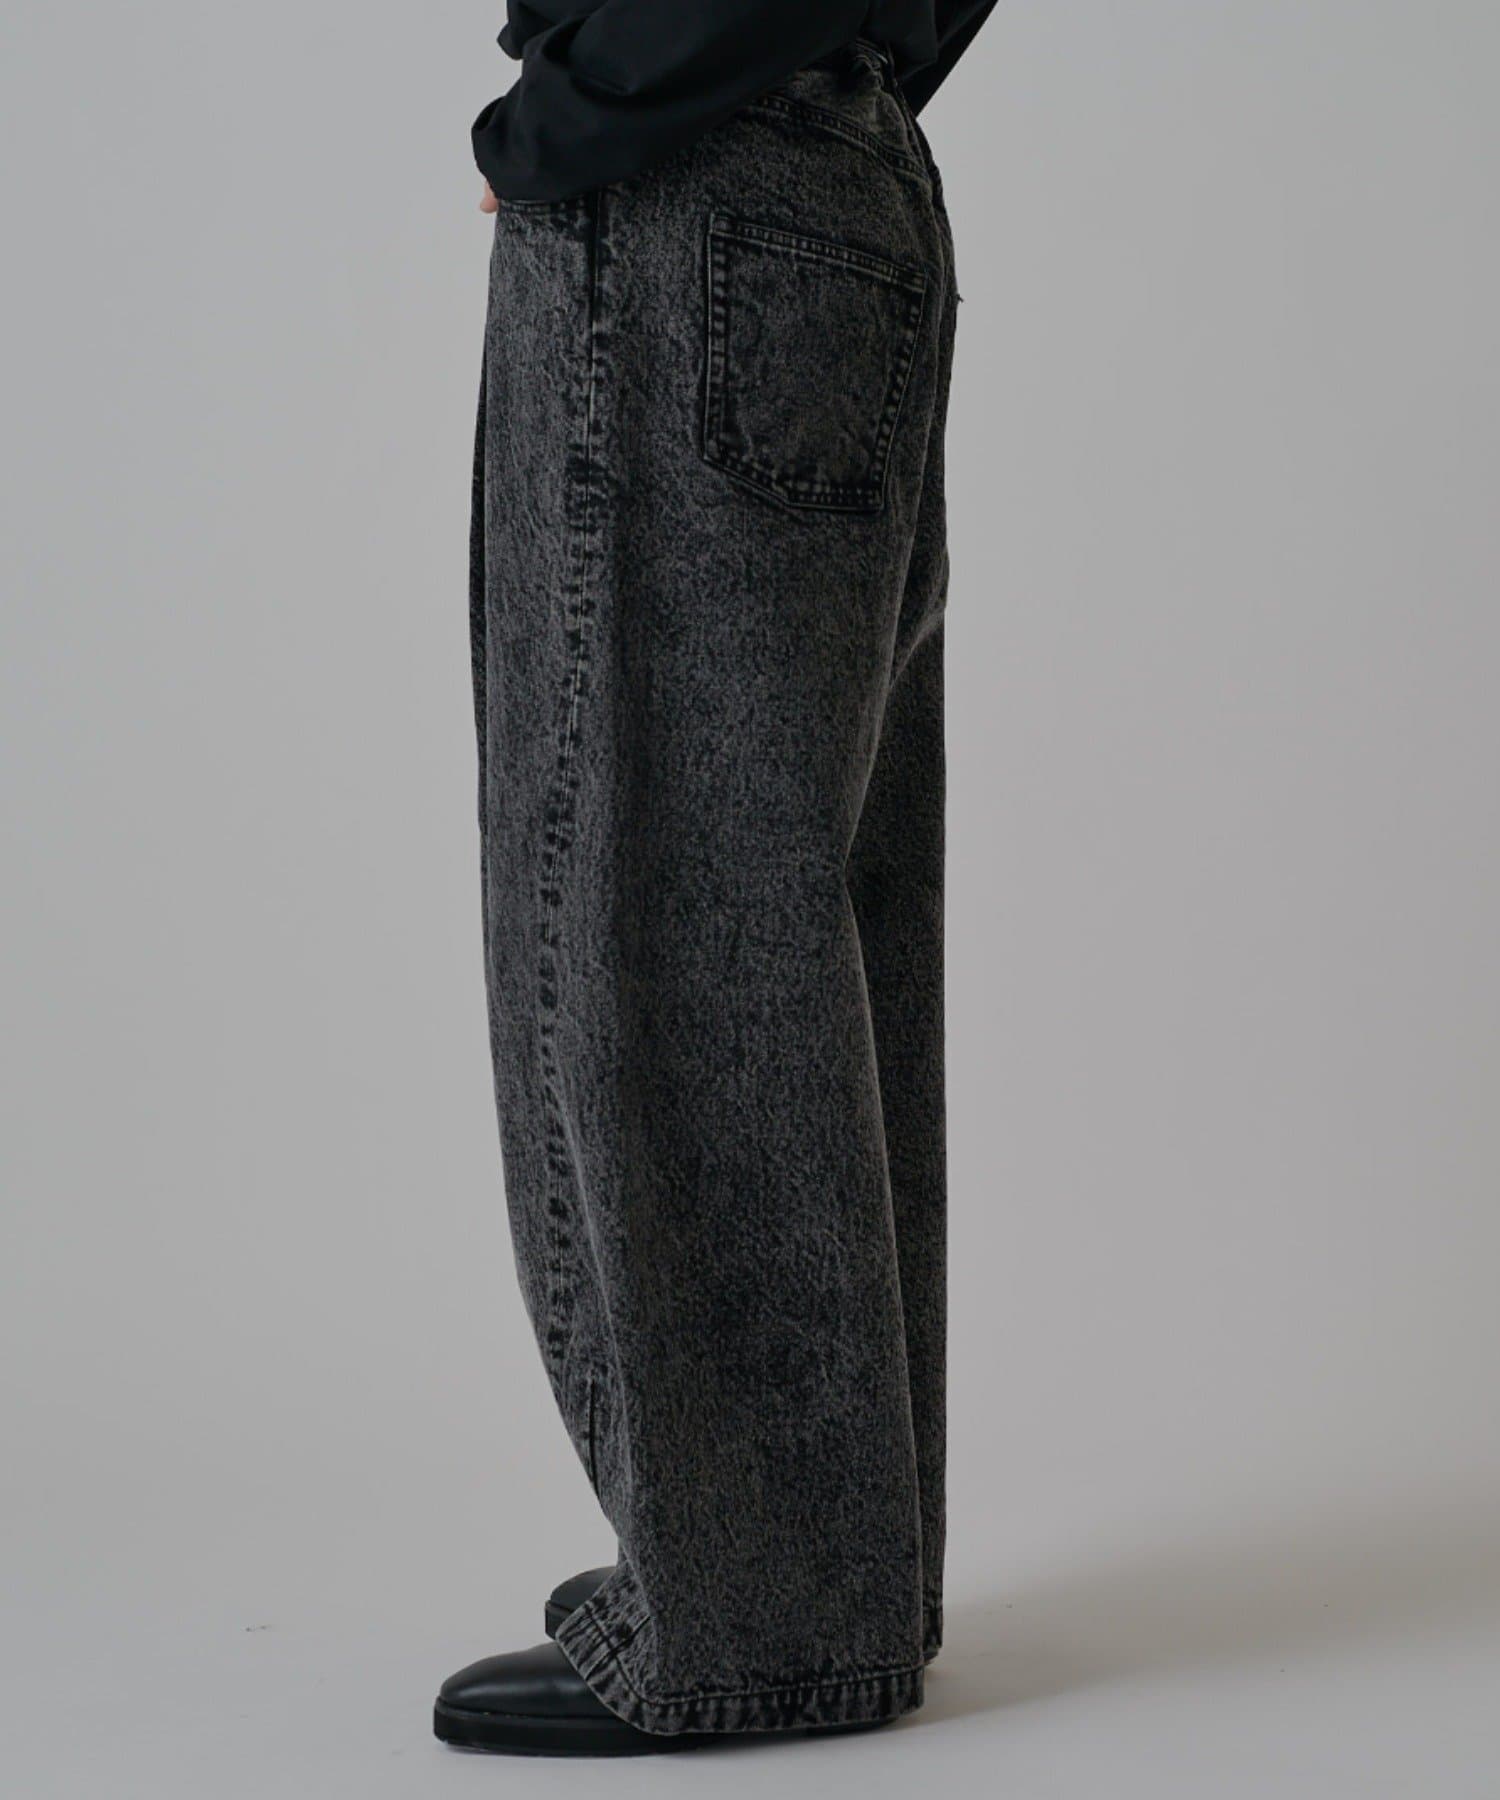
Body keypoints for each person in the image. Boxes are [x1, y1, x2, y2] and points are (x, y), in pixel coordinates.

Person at [435, 0, 997, 1757]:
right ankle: (822, 1584)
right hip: (843, 178)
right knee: (806, 907)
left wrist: (576, 115)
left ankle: (752, 1623)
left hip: (689, 199)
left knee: (662, 901)